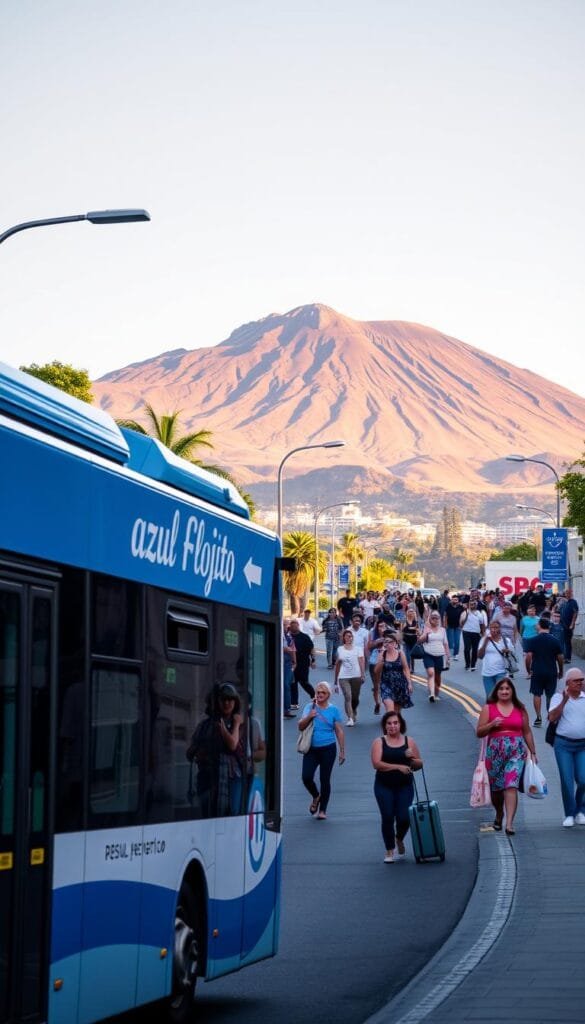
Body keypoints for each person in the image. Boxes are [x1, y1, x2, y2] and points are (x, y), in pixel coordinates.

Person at [476, 677, 537, 836]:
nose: (504, 691)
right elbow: (479, 732)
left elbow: (527, 732)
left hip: (516, 752)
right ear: (496, 691)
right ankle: (499, 814)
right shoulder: (488, 709)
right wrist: (491, 725)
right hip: (495, 753)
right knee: (497, 790)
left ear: (512, 692)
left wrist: (533, 752)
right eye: (501, 689)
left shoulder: (520, 708)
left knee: (511, 785)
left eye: (507, 689)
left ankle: (509, 823)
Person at [371, 710, 423, 863]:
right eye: (389, 723)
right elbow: (376, 764)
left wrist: (411, 758)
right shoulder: (379, 742)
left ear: (401, 724)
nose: (392, 726)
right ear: (385, 726)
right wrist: (398, 767)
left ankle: (399, 837)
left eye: (395, 723)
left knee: (404, 817)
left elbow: (419, 764)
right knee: (387, 816)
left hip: (404, 786)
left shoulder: (409, 741)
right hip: (383, 785)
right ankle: (389, 850)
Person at [298, 681, 345, 820]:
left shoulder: (333, 710)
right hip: (311, 749)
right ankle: (316, 795)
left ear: (328, 695)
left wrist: (342, 750)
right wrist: (309, 716)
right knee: (306, 777)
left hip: (328, 749)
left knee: (325, 779)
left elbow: (339, 731)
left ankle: (323, 810)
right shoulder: (309, 707)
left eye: (323, 693)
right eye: (318, 692)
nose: (319, 695)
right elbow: (300, 726)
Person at [547, 667, 585, 827]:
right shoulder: (558, 697)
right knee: (567, 781)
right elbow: (552, 717)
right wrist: (564, 700)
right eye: (577, 681)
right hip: (563, 745)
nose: (581, 683)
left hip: (582, 745)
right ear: (568, 683)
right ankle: (569, 813)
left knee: (583, 780)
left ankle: (580, 811)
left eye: (582, 680)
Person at [524, 617, 564, 727]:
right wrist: (560, 671)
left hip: (537, 671)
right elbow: (560, 657)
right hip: (551, 671)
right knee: (550, 695)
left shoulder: (533, 640)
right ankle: (550, 716)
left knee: (537, 694)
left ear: (540, 626)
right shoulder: (555, 640)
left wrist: (528, 670)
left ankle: (538, 718)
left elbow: (528, 656)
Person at [374, 632, 414, 712]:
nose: (388, 644)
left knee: (397, 712)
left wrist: (409, 683)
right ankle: (388, 722)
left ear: (395, 644)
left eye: (390, 642)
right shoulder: (382, 654)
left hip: (399, 685)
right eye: (386, 642)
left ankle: (393, 723)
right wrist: (381, 662)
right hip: (386, 685)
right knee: (390, 710)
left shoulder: (400, 653)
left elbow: (406, 668)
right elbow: (376, 671)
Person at [334, 628, 366, 726]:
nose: (349, 638)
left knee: (355, 698)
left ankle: (354, 710)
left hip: (356, 676)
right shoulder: (340, 649)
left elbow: (361, 661)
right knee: (348, 696)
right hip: (344, 677)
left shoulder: (358, 649)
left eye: (351, 636)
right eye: (347, 636)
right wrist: (335, 681)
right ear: (343, 638)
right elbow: (338, 665)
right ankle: (350, 718)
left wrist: (363, 674)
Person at [477, 620, 515, 699]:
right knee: (490, 697)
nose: (494, 629)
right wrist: (485, 642)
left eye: (496, 627)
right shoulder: (484, 640)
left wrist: (507, 651)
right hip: (487, 673)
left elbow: (513, 654)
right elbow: (480, 656)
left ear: (500, 628)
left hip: (501, 672)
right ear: (489, 629)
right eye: (492, 627)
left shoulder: (505, 641)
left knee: (501, 696)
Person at [420, 611, 450, 702]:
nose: (435, 619)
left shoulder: (443, 630)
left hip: (440, 655)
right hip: (428, 654)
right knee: (430, 673)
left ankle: (436, 693)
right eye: (433, 617)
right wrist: (426, 634)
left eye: (437, 618)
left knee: (437, 676)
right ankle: (431, 694)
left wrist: (447, 657)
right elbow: (419, 641)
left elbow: (445, 644)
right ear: (430, 619)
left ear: (439, 619)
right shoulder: (426, 628)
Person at [289, 619, 316, 705]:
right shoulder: (288, 637)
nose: (294, 627)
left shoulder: (305, 637)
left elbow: (311, 649)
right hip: (292, 663)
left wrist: (313, 660)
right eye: (292, 626)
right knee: (293, 683)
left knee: (304, 682)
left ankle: (314, 695)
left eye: (295, 625)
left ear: (298, 626)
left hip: (303, 663)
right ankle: (294, 703)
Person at [366, 618, 389, 714]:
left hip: (386, 662)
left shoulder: (389, 634)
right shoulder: (372, 633)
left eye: (383, 626)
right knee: (376, 686)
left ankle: (387, 706)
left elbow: (397, 643)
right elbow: (369, 646)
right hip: (374, 662)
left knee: (385, 685)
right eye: (380, 626)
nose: (382, 628)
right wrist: (377, 641)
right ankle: (377, 703)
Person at [459, 598, 487, 671]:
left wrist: (483, 633)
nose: (472, 605)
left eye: (474, 604)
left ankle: (473, 664)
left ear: (476, 605)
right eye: (471, 604)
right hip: (466, 632)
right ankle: (467, 664)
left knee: (475, 649)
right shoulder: (465, 612)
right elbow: (461, 623)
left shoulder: (479, 613)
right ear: (469, 605)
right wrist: (467, 615)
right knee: (467, 649)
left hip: (476, 633)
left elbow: (482, 624)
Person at [560, 588, 579, 664]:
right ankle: (565, 657)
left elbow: (575, 613)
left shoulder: (573, 602)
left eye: (568, 593)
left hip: (568, 625)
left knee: (567, 642)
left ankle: (568, 658)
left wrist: (572, 624)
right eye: (565, 593)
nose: (566, 594)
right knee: (564, 641)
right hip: (563, 624)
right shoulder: (566, 602)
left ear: (571, 593)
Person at [282, 617, 297, 717]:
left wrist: (294, 662)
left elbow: (292, 649)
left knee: (286, 685)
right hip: (278, 662)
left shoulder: (289, 637)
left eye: (287, 625)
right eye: (284, 624)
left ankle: (287, 709)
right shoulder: (277, 634)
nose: (286, 627)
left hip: (287, 663)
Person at [443, 593, 462, 660]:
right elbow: (445, 615)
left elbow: (463, 616)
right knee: (450, 641)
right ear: (451, 600)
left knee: (457, 641)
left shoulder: (460, 607)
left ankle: (456, 654)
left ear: (458, 601)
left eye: (456, 600)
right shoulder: (448, 606)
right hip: (449, 626)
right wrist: (445, 624)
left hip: (458, 626)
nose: (455, 601)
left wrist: (461, 625)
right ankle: (450, 652)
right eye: (453, 600)